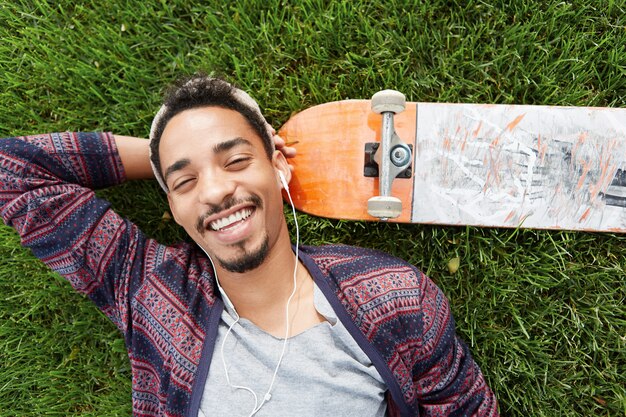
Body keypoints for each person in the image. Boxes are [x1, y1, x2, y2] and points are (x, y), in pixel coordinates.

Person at [0, 74, 498, 417]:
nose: (214, 191)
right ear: (171, 205)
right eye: (186, 181)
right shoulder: (150, 291)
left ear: (278, 167)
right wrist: (157, 158)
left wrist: (187, 162)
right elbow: (12, 171)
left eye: (236, 161)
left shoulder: (394, 299)